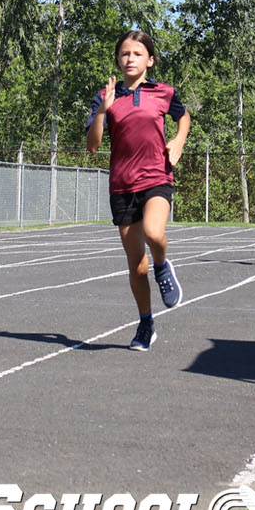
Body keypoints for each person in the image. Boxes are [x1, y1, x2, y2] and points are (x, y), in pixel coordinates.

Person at [86, 30, 191, 352]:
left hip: (157, 176)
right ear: (118, 60)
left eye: (136, 53)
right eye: (124, 54)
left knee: (154, 232)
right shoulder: (106, 95)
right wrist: (102, 111)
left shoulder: (163, 91)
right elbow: (92, 147)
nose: (129, 59)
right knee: (135, 264)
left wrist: (178, 141)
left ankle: (163, 264)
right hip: (122, 184)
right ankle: (146, 323)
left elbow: (183, 116)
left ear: (150, 60)